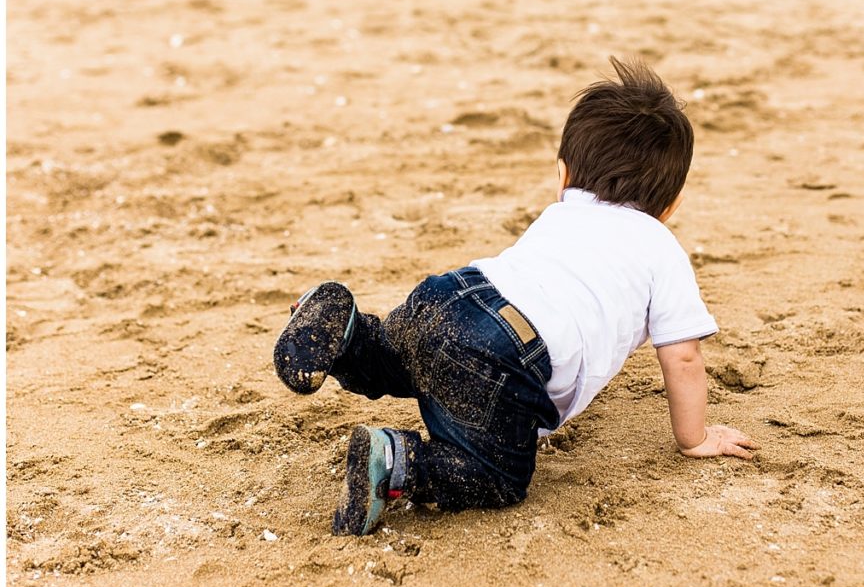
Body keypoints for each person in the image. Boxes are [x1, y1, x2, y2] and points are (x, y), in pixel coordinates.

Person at [273, 57, 760, 536]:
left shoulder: (561, 212)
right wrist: (694, 438)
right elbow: (684, 358)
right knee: (496, 475)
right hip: (507, 351)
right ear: (670, 205)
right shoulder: (661, 248)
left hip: (452, 293)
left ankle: (349, 333)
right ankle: (399, 462)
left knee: (395, 359)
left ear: (564, 176)